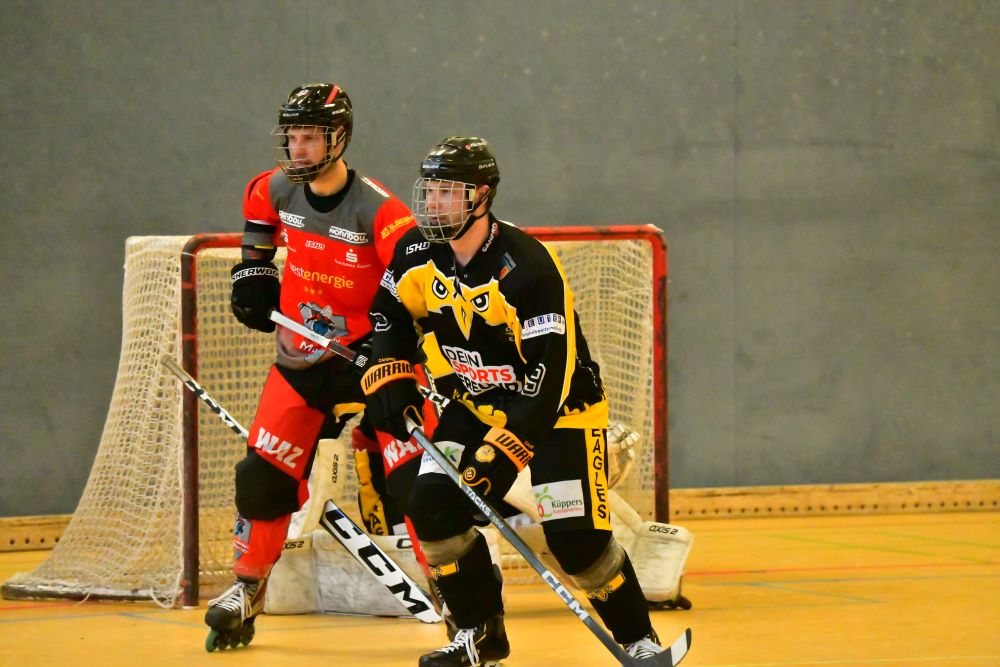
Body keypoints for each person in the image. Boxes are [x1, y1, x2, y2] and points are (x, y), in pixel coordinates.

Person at [362, 137, 666, 666]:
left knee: (576, 543)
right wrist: (388, 379)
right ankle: (480, 635)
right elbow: (388, 317)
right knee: (429, 506)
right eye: (428, 190)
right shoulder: (414, 251)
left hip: (558, 414)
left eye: (447, 193)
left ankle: (639, 640)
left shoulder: (526, 265)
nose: (432, 203)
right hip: (474, 405)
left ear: (480, 196)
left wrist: (508, 448)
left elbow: (551, 375)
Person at [204, 82, 425, 651]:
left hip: (372, 360)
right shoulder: (273, 189)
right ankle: (248, 588)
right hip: (301, 358)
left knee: (417, 483)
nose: (297, 149)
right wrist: (251, 275)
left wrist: (391, 347)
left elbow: (413, 290)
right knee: (262, 476)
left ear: (339, 138)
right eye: (292, 137)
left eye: (309, 138)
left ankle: (459, 599)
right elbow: (258, 234)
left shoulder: (383, 211)